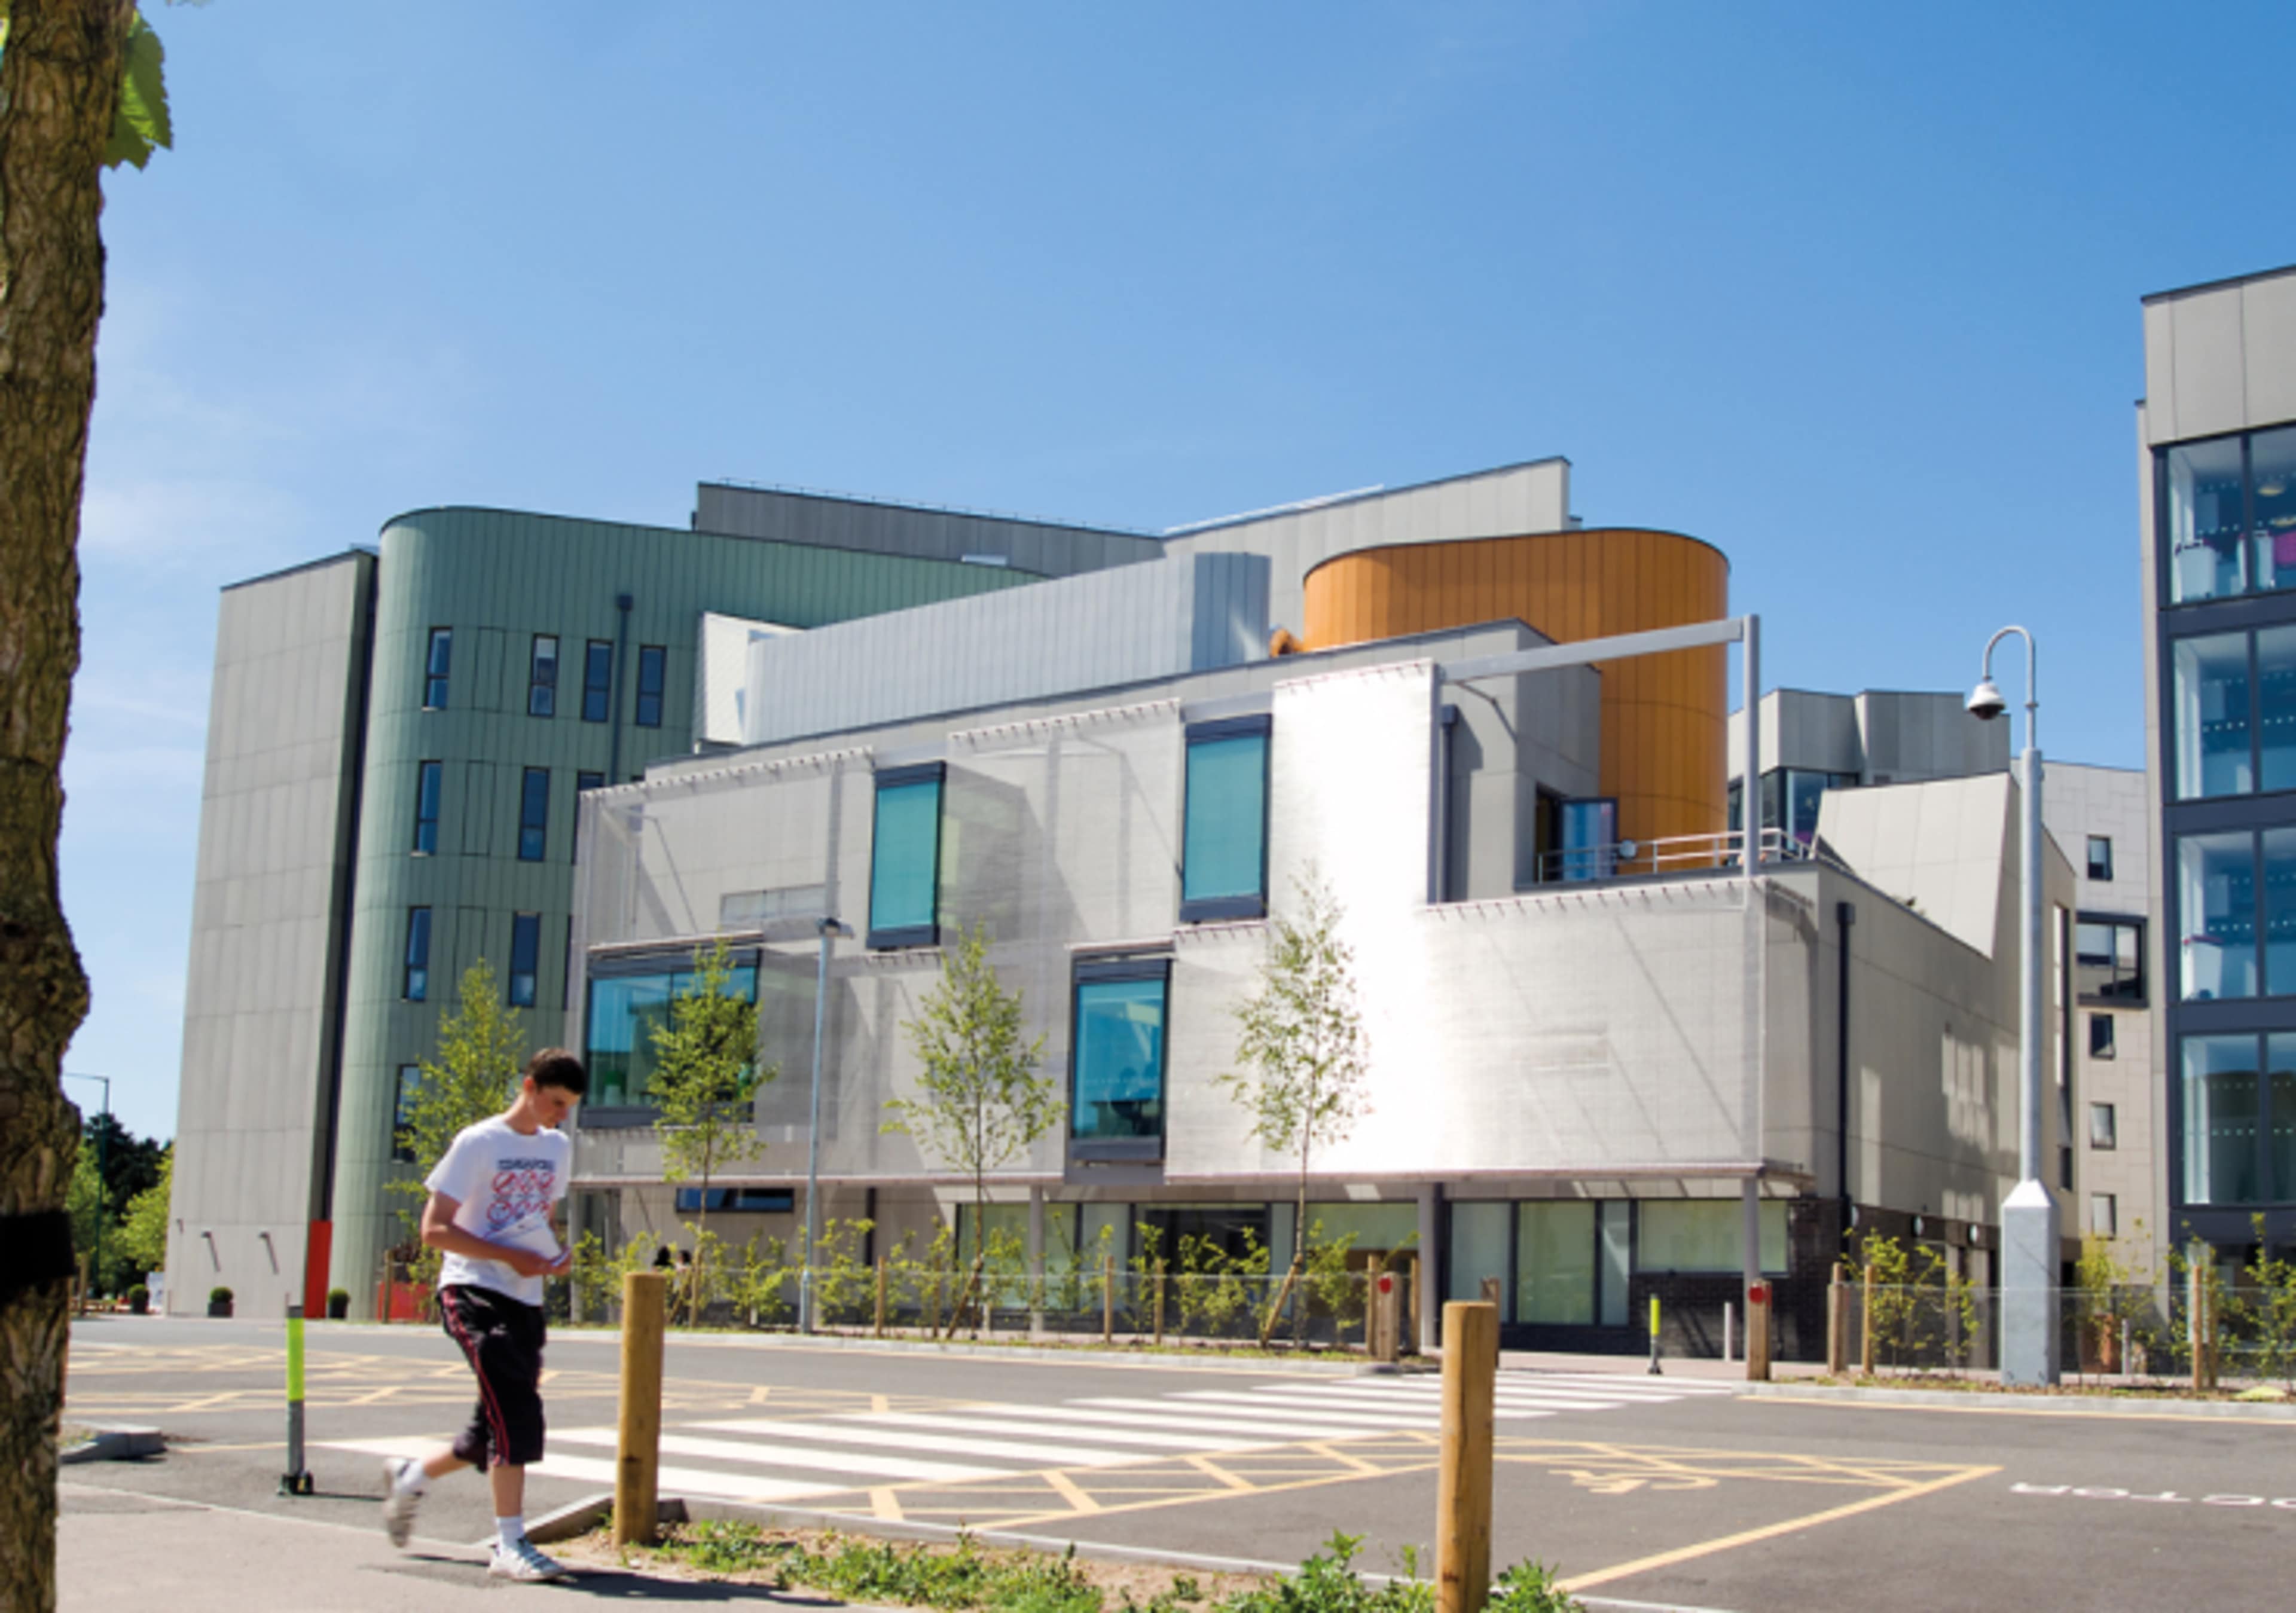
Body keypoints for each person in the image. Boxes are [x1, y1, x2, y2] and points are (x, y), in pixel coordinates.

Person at [380, 1048, 585, 1583]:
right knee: (515, 1409)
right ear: (529, 1086)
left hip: (526, 1297)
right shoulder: (479, 1142)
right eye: (556, 1102)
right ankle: (511, 1543)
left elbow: (542, 1219)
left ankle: (411, 1478)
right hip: (473, 1290)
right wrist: (509, 1256)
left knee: (486, 1432)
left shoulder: (558, 1148)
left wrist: (552, 1258)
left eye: (570, 1107)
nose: (561, 1115)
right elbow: (434, 1230)